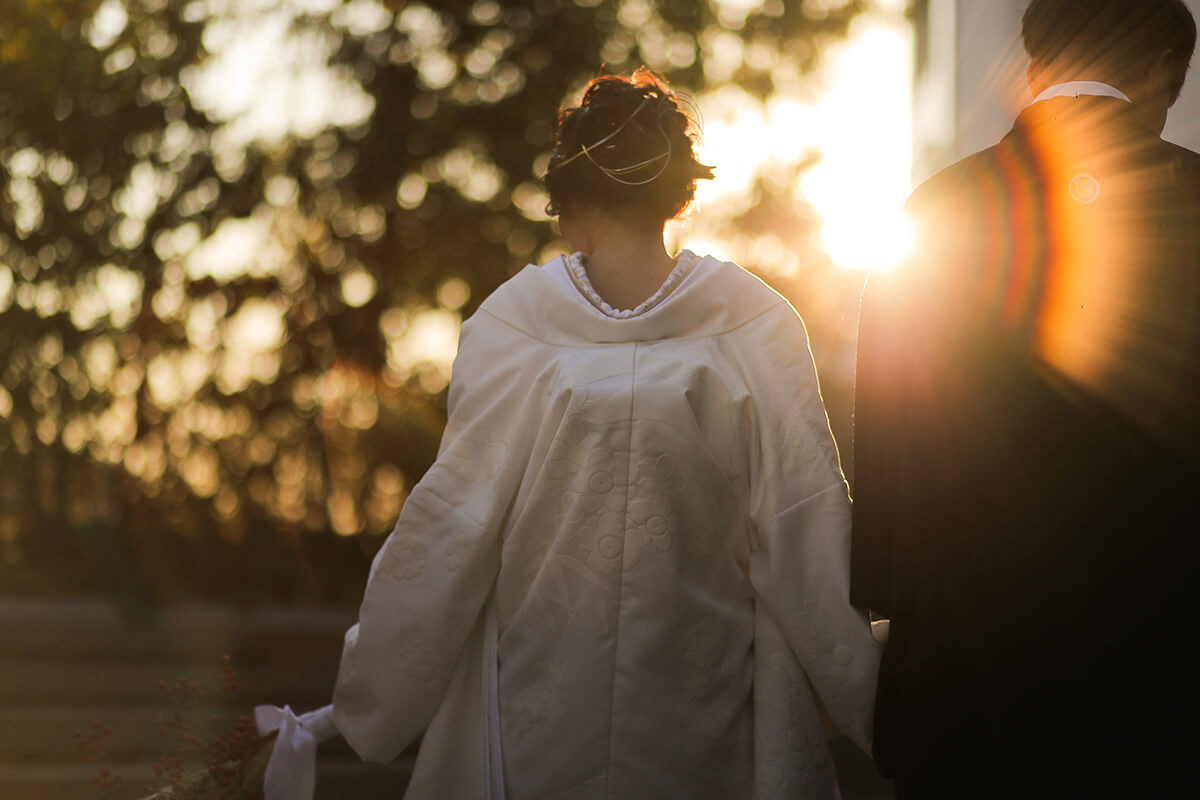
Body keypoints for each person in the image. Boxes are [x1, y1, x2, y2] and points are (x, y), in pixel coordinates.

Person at [258, 70, 882, 800]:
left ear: (569, 202)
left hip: (546, 711)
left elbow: (451, 527)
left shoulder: (515, 326)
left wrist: (364, 701)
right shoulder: (755, 326)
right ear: (678, 195)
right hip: (699, 707)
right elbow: (805, 531)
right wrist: (881, 701)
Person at [851, 0, 1200, 796]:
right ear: (1159, 71)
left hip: (970, 675)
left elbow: (889, 452)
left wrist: (891, 615)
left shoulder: (932, 213)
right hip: (1166, 679)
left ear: (1034, 66)